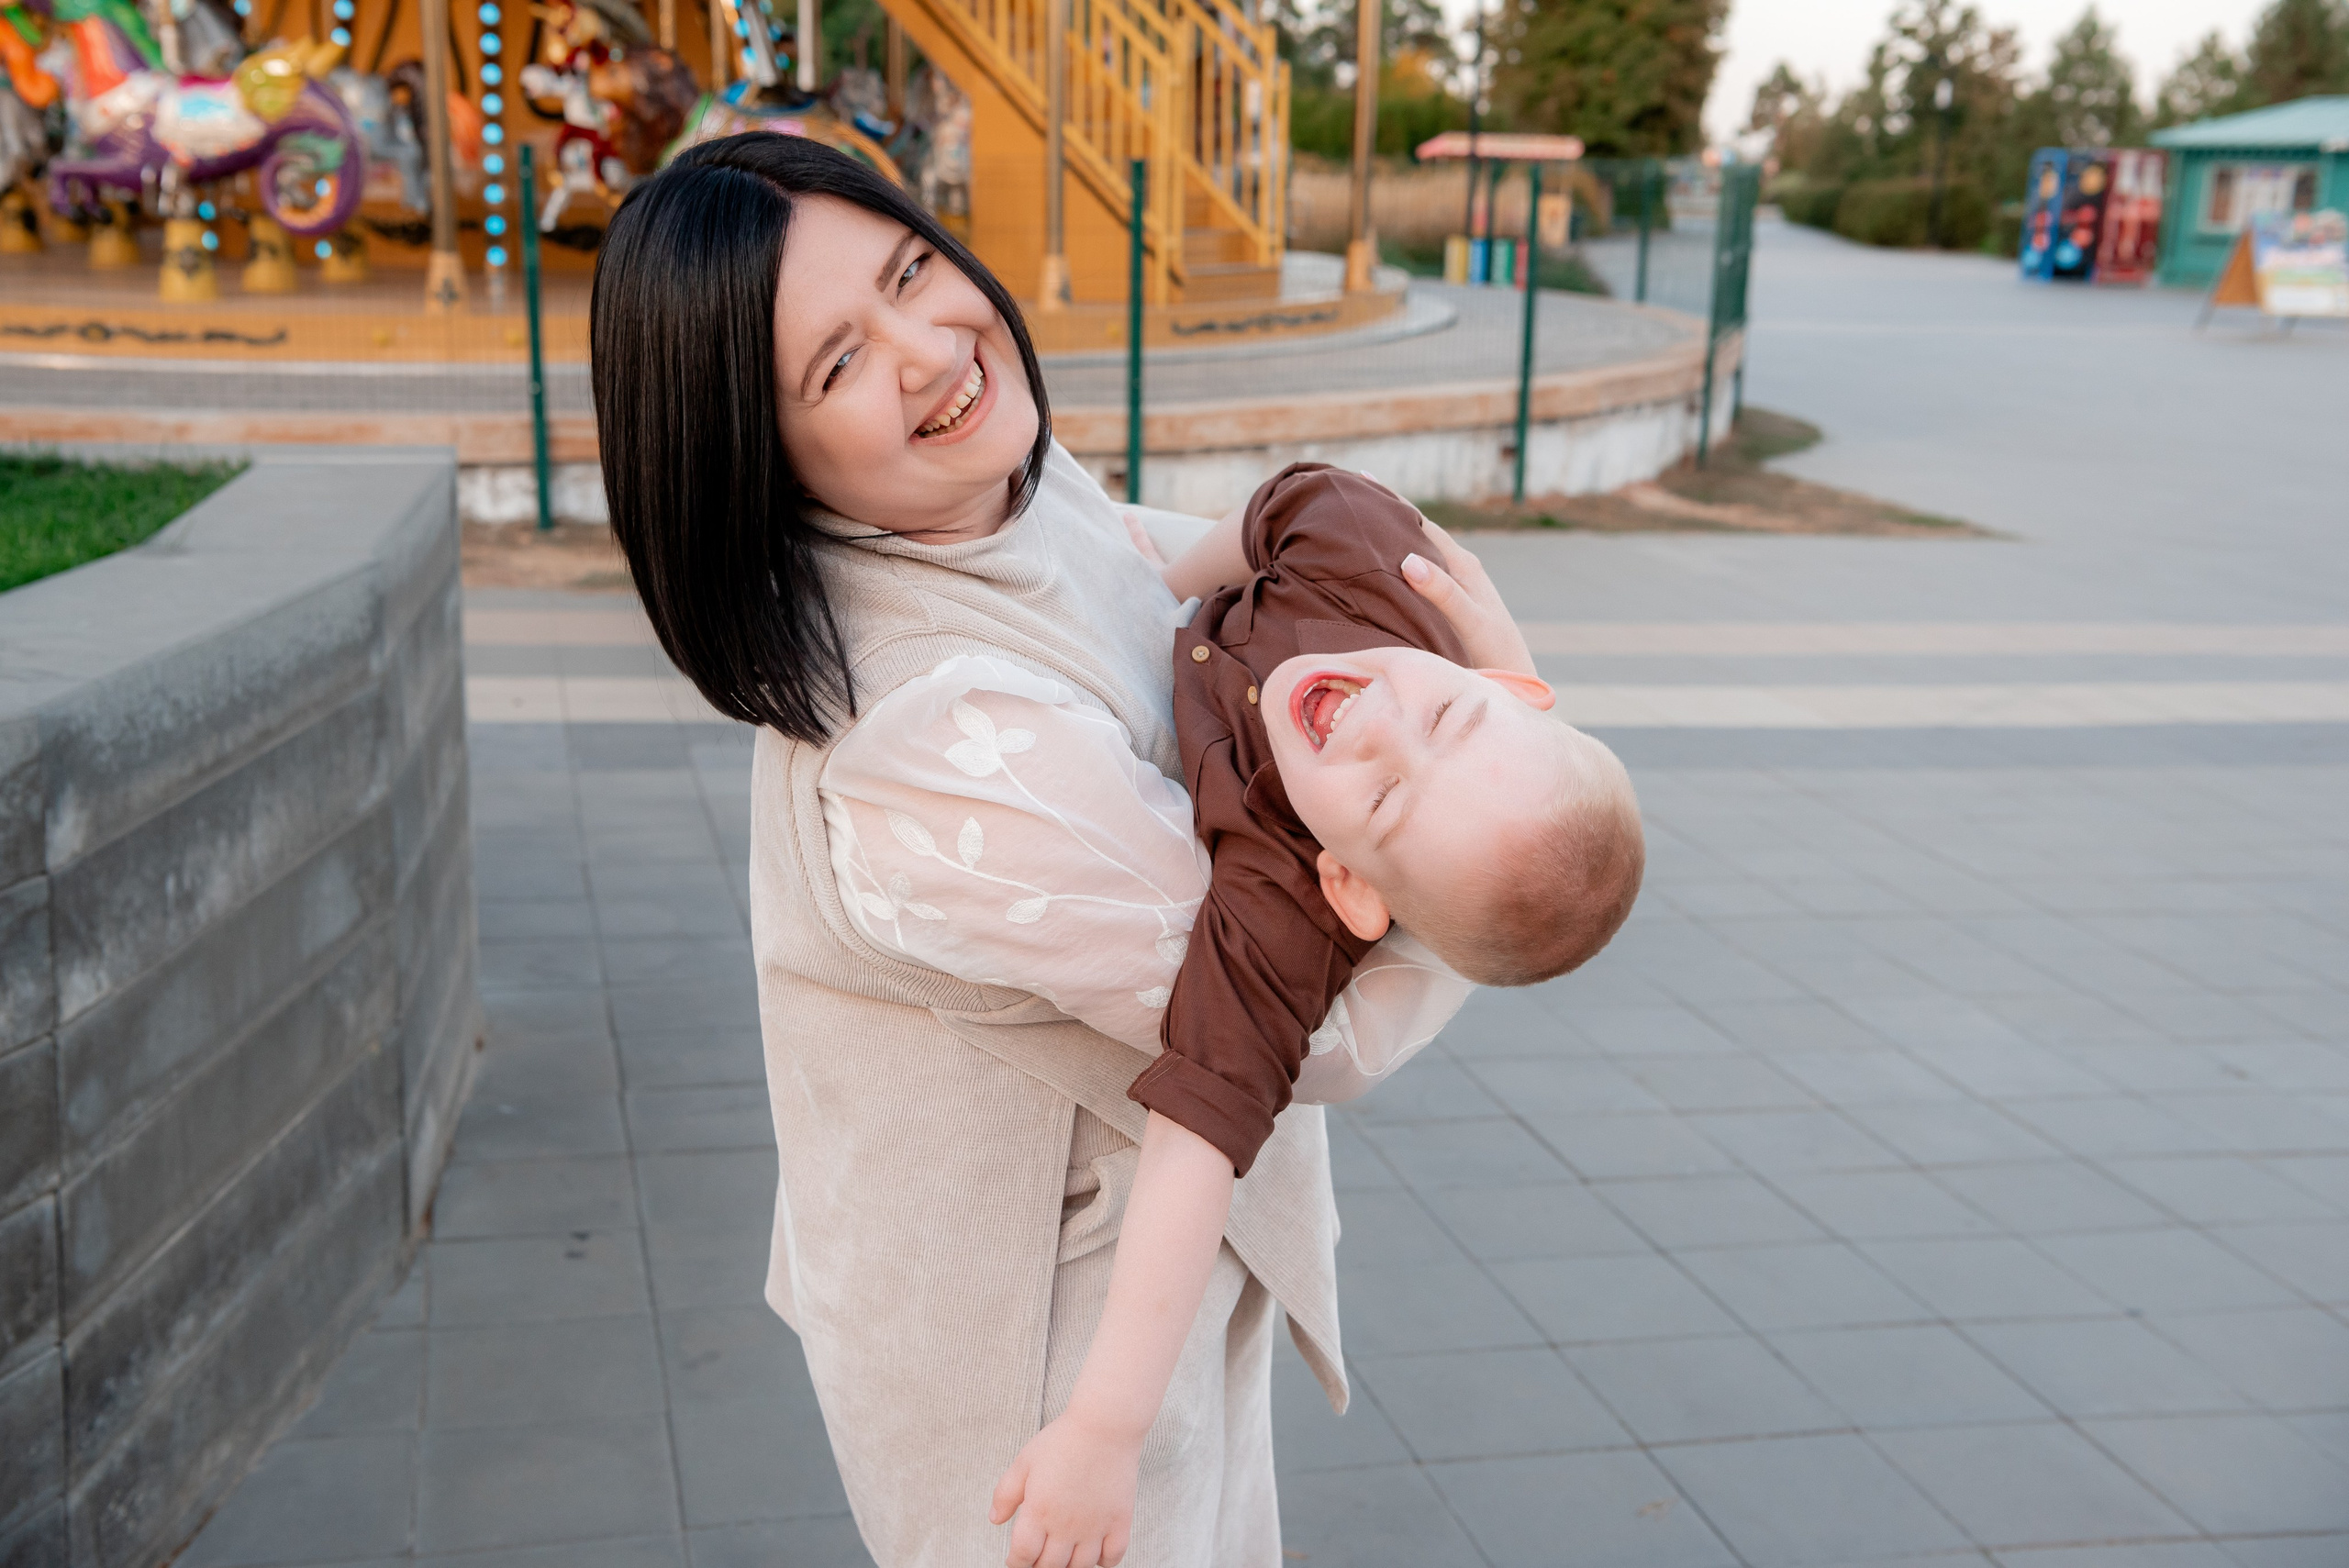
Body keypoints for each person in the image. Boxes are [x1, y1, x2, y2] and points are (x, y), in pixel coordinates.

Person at [589, 135, 1498, 1565]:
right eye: (835, 364)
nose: (927, 350)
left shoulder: (1001, 491)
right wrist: (1487, 807)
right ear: (759, 459)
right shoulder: (944, 736)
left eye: (909, 271)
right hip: (1052, 1381)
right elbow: (1278, 1021)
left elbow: (1180, 576)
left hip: (1150, 1266)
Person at [986, 463, 1645, 1566]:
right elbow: (1295, 498)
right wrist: (1168, 576)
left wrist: (1106, 1426)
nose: (1374, 724)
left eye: (1384, 797)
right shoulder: (1386, 582)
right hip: (1202, 568)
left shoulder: (1284, 901)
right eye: (1444, 708)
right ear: (1500, 680)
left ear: (1352, 886)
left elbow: (1201, 1140)